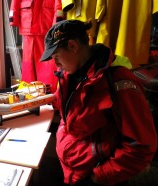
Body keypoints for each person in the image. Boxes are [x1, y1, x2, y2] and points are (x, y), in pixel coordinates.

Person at [40, 20, 158, 185]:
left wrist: (97, 178)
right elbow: (64, 108)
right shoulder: (69, 76)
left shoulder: (118, 82)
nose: (56, 64)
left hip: (99, 178)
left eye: (57, 57)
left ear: (73, 46)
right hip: (73, 172)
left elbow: (141, 146)